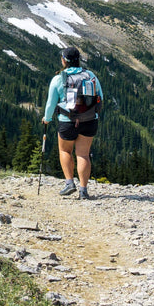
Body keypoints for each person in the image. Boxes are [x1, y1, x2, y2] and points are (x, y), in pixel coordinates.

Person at [42, 46, 103, 199]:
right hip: (89, 120)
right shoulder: (90, 75)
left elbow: (51, 103)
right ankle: (83, 190)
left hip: (67, 121)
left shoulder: (58, 79)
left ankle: (69, 183)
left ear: (64, 61)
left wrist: (47, 119)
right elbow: (100, 96)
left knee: (65, 151)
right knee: (83, 154)